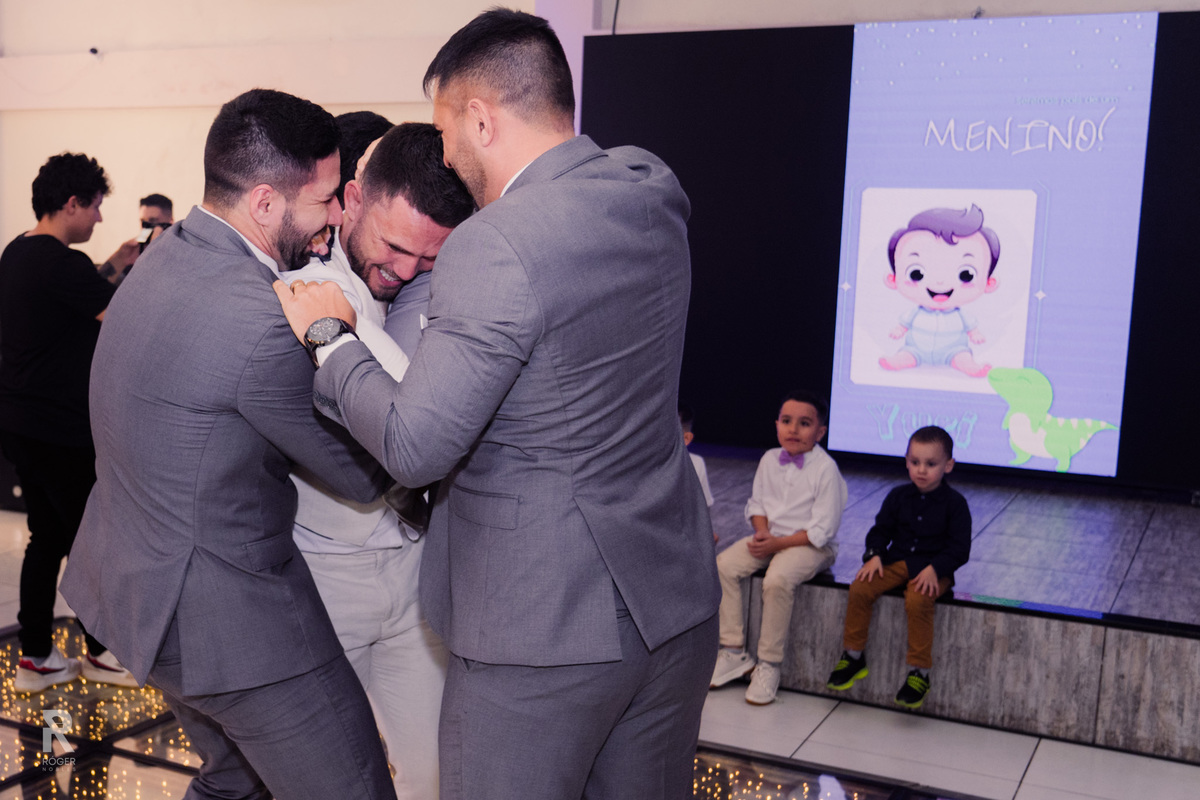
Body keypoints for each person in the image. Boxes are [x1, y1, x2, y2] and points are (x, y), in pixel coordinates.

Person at [273, 9, 719, 800]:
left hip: (538, 626)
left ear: (480, 118)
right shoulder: (652, 185)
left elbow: (414, 446)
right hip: (673, 602)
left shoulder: (494, 242)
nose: (446, 154)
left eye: (447, 131)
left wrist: (332, 342)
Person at [60, 89, 396, 800]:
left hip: (130, 598)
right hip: (230, 626)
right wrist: (341, 342)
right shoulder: (262, 320)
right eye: (326, 199)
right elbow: (367, 472)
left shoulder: (165, 254)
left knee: (233, 781)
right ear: (266, 203)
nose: (338, 216)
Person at [284, 121, 473, 800]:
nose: (406, 271)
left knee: (434, 774)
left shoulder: (435, 280)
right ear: (354, 198)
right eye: (394, 247)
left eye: (428, 258)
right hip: (323, 572)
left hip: (417, 569)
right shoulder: (304, 277)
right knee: (333, 778)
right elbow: (408, 416)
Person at [0, 152, 137, 691]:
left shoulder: (19, 251)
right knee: (93, 542)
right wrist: (149, 274)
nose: (99, 218)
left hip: (21, 424)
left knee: (48, 537)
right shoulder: (62, 264)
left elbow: (72, 299)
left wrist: (114, 264)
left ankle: (37, 655)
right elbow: (122, 318)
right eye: (96, 206)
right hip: (60, 432)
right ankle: (100, 651)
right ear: (73, 203)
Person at [710, 390, 848, 705]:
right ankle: (733, 650)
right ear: (776, 425)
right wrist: (762, 533)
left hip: (812, 544)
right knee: (723, 566)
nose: (793, 429)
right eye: (786, 421)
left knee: (777, 579)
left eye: (804, 423)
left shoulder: (825, 469)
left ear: (820, 432)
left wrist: (777, 543)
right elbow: (757, 504)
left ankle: (769, 664)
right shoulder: (769, 459)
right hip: (772, 536)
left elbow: (822, 530)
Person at [825, 425, 971, 709]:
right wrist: (875, 555)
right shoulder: (897, 496)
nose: (921, 470)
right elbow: (880, 531)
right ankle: (853, 656)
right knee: (860, 587)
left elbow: (959, 549)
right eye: (915, 462)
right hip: (896, 562)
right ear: (906, 461)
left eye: (931, 464)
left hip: (934, 570)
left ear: (948, 465)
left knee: (918, 599)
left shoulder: (956, 504)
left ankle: (920, 672)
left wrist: (936, 568)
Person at [879, 204, 1000, 377]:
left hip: (954, 349)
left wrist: (975, 334)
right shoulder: (915, 313)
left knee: (962, 357)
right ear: (893, 279)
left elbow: (971, 327)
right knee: (906, 354)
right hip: (916, 348)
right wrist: (899, 330)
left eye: (966, 275)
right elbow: (904, 324)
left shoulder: (961, 315)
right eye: (916, 273)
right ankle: (900, 360)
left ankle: (969, 366)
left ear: (989, 283)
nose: (940, 282)